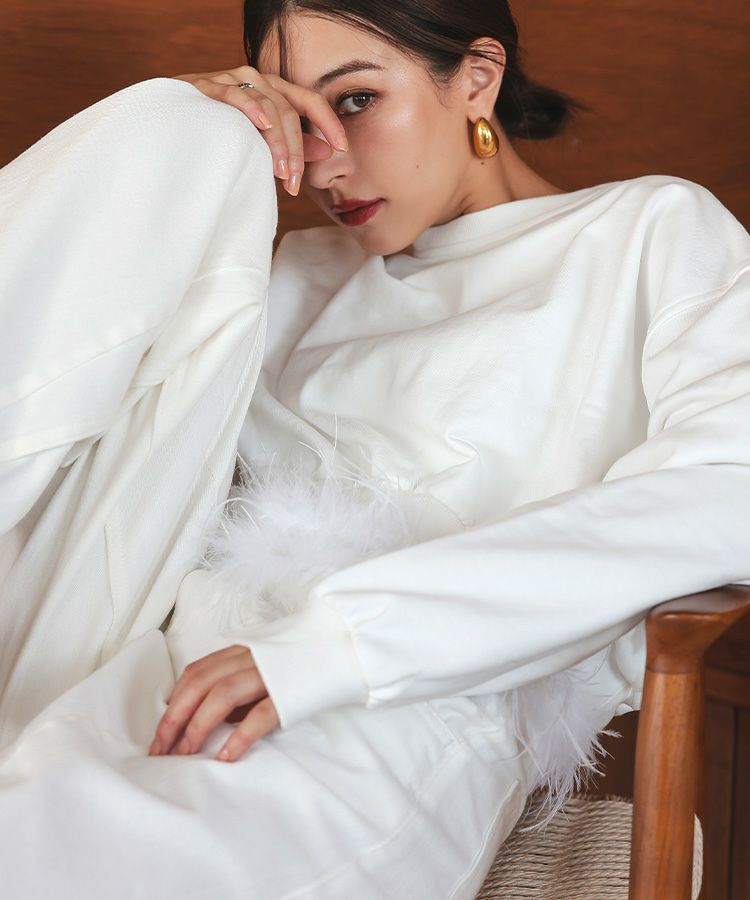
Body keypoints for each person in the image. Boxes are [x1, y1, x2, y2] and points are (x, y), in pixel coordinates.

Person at [0, 1, 748, 897]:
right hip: (149, 658)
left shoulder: (648, 234)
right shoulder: (285, 271)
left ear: (478, 77)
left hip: (403, 699)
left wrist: (339, 645)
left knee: (81, 855)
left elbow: (727, 488)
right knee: (174, 132)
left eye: (354, 100)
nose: (324, 161)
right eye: (296, 112)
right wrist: (174, 130)